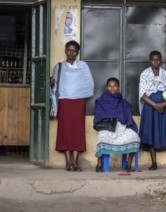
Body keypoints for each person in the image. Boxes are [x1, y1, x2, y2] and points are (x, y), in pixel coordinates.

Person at [53, 40, 94, 172]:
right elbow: (55, 88)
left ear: (77, 52)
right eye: (68, 50)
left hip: (78, 102)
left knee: (77, 130)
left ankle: (75, 162)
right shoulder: (58, 67)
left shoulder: (83, 66)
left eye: (74, 50)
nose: (71, 53)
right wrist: (51, 83)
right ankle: (68, 162)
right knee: (64, 130)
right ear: (65, 51)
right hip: (64, 101)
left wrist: (78, 93)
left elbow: (89, 84)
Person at [94, 77, 140, 172]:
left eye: (115, 86)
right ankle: (99, 161)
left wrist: (120, 118)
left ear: (118, 87)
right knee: (102, 137)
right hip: (108, 127)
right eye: (110, 86)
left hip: (121, 127)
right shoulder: (101, 101)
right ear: (107, 87)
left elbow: (127, 117)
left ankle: (129, 162)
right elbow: (98, 116)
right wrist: (114, 115)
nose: (112, 88)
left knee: (135, 136)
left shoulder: (123, 102)